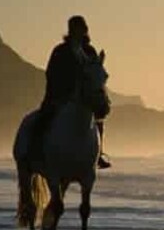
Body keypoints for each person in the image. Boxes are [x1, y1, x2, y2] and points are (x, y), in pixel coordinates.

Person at [32, 15, 112, 169]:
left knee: (98, 121)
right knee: (44, 117)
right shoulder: (60, 51)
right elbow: (51, 73)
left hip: (85, 97)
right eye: (75, 29)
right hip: (59, 95)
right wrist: (64, 88)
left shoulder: (90, 51)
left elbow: (95, 74)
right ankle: (37, 151)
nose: (78, 32)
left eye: (80, 29)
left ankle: (98, 154)